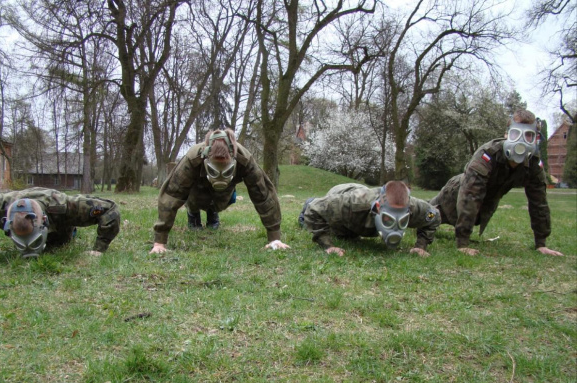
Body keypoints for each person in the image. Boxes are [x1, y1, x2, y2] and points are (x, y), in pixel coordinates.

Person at [429, 109, 563, 256]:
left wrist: (541, 243)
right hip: (452, 196)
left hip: (482, 206)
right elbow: (470, 195)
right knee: (424, 215)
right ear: (506, 134)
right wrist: (463, 243)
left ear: (535, 139)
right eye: (515, 134)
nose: (521, 141)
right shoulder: (487, 154)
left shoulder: (533, 163)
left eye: (528, 136)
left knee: (458, 216)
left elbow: (539, 202)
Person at [150, 128, 289, 253]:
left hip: (226, 192)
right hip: (197, 188)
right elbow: (172, 194)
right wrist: (159, 242)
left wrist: (274, 237)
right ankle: (193, 213)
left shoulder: (244, 159)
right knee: (193, 199)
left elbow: (263, 194)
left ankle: (212, 212)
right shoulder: (193, 158)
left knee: (221, 203)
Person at [0, 187, 121, 263]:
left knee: (59, 242)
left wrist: (99, 249)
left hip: (59, 227)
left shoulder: (66, 207)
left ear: (44, 221)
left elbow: (110, 209)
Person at [299, 181, 441, 257]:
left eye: (402, 221)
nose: (395, 229)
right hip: (342, 192)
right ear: (378, 208)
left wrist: (420, 246)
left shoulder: (414, 208)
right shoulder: (352, 203)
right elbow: (315, 208)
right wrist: (328, 245)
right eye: (389, 220)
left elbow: (433, 216)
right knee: (308, 216)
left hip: (364, 199)